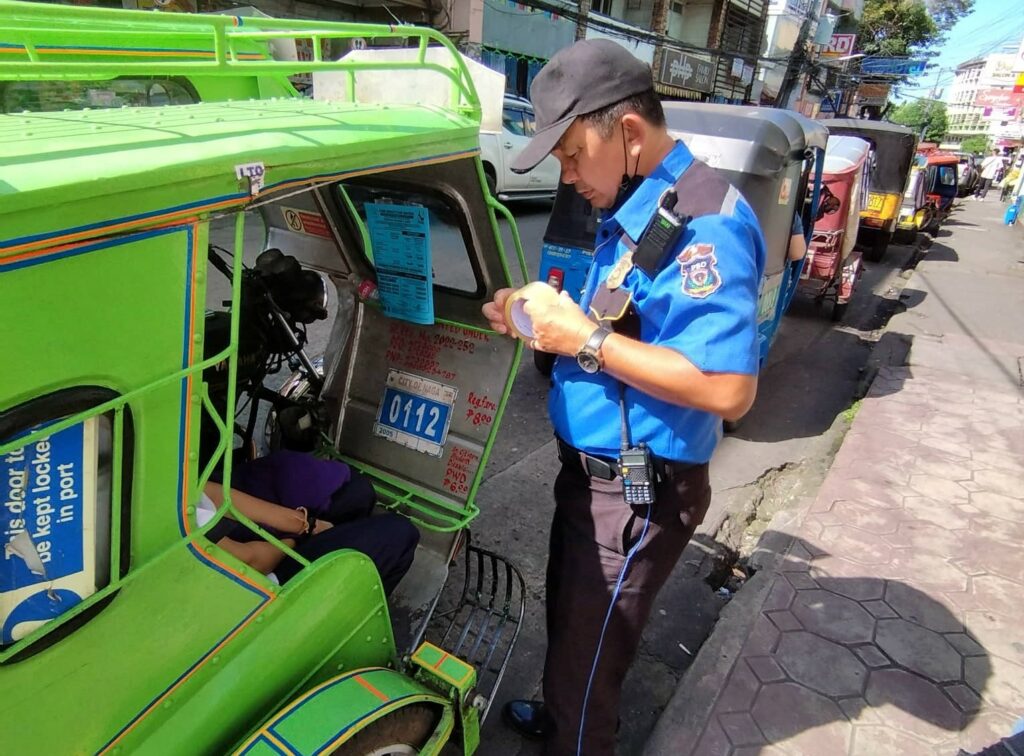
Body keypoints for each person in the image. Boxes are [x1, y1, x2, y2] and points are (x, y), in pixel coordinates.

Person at [481, 39, 765, 755]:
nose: (567, 175)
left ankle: (575, 735)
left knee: (590, 659)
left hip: (635, 495)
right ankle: (562, 713)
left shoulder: (708, 223)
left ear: (629, 133)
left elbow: (730, 388)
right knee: (577, 629)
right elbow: (620, 322)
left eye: (574, 154)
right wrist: (540, 321)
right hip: (593, 482)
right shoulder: (645, 204)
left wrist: (581, 338)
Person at [200, 450, 419, 592]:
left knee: (358, 493)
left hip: (248, 538)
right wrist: (297, 538)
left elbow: (216, 495)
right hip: (254, 586)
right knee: (402, 533)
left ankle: (340, 573)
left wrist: (305, 524)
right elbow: (252, 561)